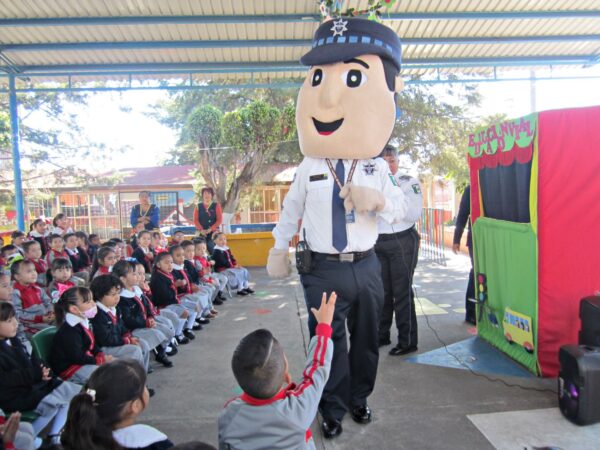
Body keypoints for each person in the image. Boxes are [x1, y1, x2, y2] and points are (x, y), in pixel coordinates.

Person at [266, 17, 406, 438]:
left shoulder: (377, 165)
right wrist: (278, 247)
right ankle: (331, 406)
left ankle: (360, 399)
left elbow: (399, 210)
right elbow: (291, 211)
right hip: (322, 268)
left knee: (366, 341)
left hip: (366, 265)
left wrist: (378, 200)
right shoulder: (309, 165)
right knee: (327, 342)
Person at [219, 292, 335, 449]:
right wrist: (323, 327)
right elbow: (317, 368)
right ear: (285, 374)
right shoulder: (298, 409)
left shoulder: (229, 414)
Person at [0, 302, 80, 445]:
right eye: (9, 321)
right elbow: (6, 379)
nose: (15, 323)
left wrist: (42, 369)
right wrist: (36, 373)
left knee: (70, 393)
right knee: (56, 403)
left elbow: (30, 359)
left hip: (30, 384)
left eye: (14, 318)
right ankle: (42, 438)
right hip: (13, 395)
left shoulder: (12, 339)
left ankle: (53, 435)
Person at [61, 359, 173, 450]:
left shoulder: (78, 438)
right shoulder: (152, 442)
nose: (146, 390)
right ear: (135, 405)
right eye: (144, 386)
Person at [375, 145, 423, 355]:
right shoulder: (373, 183)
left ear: (398, 162)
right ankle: (381, 334)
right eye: (384, 161)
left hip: (403, 240)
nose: (389, 165)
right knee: (382, 293)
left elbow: (412, 214)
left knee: (401, 292)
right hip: (378, 242)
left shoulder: (408, 182)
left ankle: (407, 341)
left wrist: (386, 199)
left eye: (392, 161)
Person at [113, 260, 174, 367]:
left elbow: (147, 305)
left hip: (146, 321)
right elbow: (128, 320)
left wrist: (150, 316)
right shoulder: (121, 298)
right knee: (158, 334)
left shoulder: (136, 290)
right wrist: (145, 323)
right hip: (134, 328)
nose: (138, 276)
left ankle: (161, 351)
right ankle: (152, 355)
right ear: (123, 279)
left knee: (167, 331)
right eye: (134, 274)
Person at [89, 275, 150, 374]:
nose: (117, 297)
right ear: (99, 295)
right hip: (105, 348)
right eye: (112, 294)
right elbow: (105, 339)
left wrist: (127, 336)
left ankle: (142, 377)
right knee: (135, 351)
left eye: (118, 293)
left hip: (117, 342)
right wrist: (126, 341)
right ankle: (136, 382)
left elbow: (121, 326)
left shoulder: (114, 308)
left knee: (143, 345)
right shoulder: (97, 314)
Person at [50, 287, 111, 384]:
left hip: (82, 361)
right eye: (88, 302)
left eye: (92, 300)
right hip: (70, 368)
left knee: (113, 368)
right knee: (105, 377)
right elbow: (77, 357)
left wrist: (99, 354)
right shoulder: (69, 330)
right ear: (74, 309)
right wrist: (98, 360)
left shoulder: (83, 321)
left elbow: (91, 344)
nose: (93, 304)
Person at [133, 262, 182, 351]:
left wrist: (147, 292)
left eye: (143, 274)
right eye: (138, 274)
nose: (142, 277)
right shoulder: (132, 291)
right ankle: (162, 349)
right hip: (147, 318)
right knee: (164, 326)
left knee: (170, 321)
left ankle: (172, 338)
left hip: (152, 313)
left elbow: (150, 302)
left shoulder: (141, 287)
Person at [149, 252, 197, 343]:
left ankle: (187, 328)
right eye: (166, 263)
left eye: (171, 262)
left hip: (173, 301)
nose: (170, 265)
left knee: (195, 306)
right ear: (158, 264)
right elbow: (163, 297)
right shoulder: (157, 278)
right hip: (164, 305)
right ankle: (178, 334)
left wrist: (180, 286)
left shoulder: (167, 274)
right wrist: (175, 286)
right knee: (184, 312)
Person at [169, 245, 212, 325]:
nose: (182, 257)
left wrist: (192, 284)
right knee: (196, 301)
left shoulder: (182, 266)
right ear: (171, 257)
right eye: (178, 255)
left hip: (188, 291)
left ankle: (198, 316)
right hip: (181, 295)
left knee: (204, 294)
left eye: (182, 255)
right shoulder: (172, 270)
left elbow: (189, 277)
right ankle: (191, 322)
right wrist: (180, 284)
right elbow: (174, 285)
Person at [10, 260, 54, 337]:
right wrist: (40, 319)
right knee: (52, 331)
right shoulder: (15, 293)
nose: (34, 273)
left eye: (34, 270)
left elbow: (48, 302)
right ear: (17, 276)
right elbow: (18, 314)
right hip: (31, 324)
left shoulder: (38, 288)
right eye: (29, 271)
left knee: (64, 323)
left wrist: (51, 311)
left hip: (45, 318)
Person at [453, 185, 476, 325]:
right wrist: (456, 239)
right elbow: (462, 214)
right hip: (476, 239)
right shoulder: (470, 189)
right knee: (476, 273)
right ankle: (471, 312)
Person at [193, 187, 222, 254]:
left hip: (213, 232)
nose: (207, 195)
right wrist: (201, 230)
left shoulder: (216, 205)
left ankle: (215, 263)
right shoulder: (198, 206)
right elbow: (195, 220)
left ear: (212, 195)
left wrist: (211, 229)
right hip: (201, 232)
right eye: (205, 193)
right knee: (199, 250)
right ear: (202, 195)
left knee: (213, 249)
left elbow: (219, 220)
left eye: (209, 193)